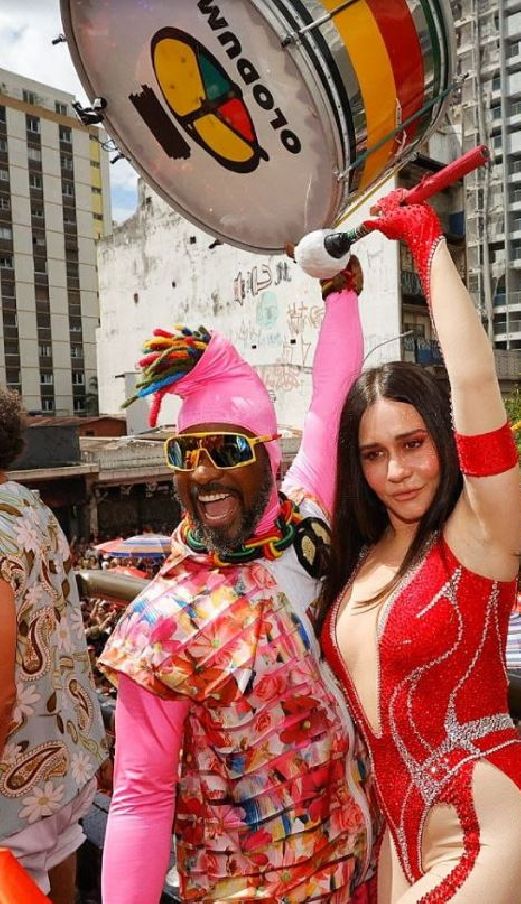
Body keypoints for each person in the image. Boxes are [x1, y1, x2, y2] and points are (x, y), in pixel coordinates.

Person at [98, 265, 373, 902]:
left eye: (226, 450)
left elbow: (330, 403)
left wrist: (340, 292)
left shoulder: (305, 518)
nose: (202, 474)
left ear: (269, 456)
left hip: (360, 873)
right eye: (184, 453)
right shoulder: (163, 621)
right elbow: (140, 798)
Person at [316, 201, 521, 902]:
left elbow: (477, 383)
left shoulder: (480, 532)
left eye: (412, 444)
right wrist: (339, 302)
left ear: (440, 440)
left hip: (491, 827)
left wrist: (429, 246)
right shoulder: (360, 556)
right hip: (399, 833)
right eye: (373, 455)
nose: (396, 471)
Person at [0, 388, 108, 903]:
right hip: (67, 757)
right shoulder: (27, 503)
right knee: (62, 851)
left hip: (15, 787)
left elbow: (0, 694)